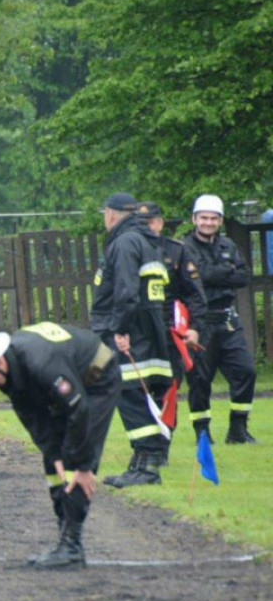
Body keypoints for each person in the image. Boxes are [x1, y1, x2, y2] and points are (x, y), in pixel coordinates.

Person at [0, 323, 120, 569]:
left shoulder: (41, 363)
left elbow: (78, 409)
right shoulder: (12, 372)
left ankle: (72, 547)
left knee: (75, 461)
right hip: (70, 384)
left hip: (97, 376)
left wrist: (84, 465)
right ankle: (65, 540)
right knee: (54, 462)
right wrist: (53, 454)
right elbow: (34, 419)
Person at [104, 201, 207, 487]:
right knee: (140, 391)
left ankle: (158, 453)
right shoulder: (139, 245)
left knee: (166, 391)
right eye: (143, 220)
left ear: (161, 222)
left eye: (153, 221)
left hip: (167, 331)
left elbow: (194, 293)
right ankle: (146, 456)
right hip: (144, 328)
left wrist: (194, 328)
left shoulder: (175, 250)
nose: (148, 225)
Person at [90, 193, 172, 488]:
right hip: (150, 331)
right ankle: (140, 462)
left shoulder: (124, 243)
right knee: (139, 394)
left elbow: (125, 291)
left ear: (111, 213)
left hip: (131, 333)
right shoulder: (148, 241)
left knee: (130, 396)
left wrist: (119, 329)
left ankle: (148, 467)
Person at [182, 194, 258, 444]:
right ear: (194, 219)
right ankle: (202, 433)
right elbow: (196, 278)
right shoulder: (185, 248)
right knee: (200, 380)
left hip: (227, 320)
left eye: (213, 218)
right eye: (203, 217)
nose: (208, 222)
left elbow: (244, 276)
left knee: (245, 371)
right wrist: (224, 272)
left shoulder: (228, 245)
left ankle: (238, 430)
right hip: (199, 322)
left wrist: (212, 274)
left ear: (221, 220)